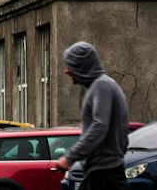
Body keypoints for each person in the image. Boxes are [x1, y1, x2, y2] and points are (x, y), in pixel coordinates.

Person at [54, 41, 130, 190]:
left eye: (70, 65)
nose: (66, 71)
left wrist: (69, 158)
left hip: (105, 174)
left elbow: (99, 126)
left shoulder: (102, 86)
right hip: (103, 171)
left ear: (82, 65)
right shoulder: (101, 86)